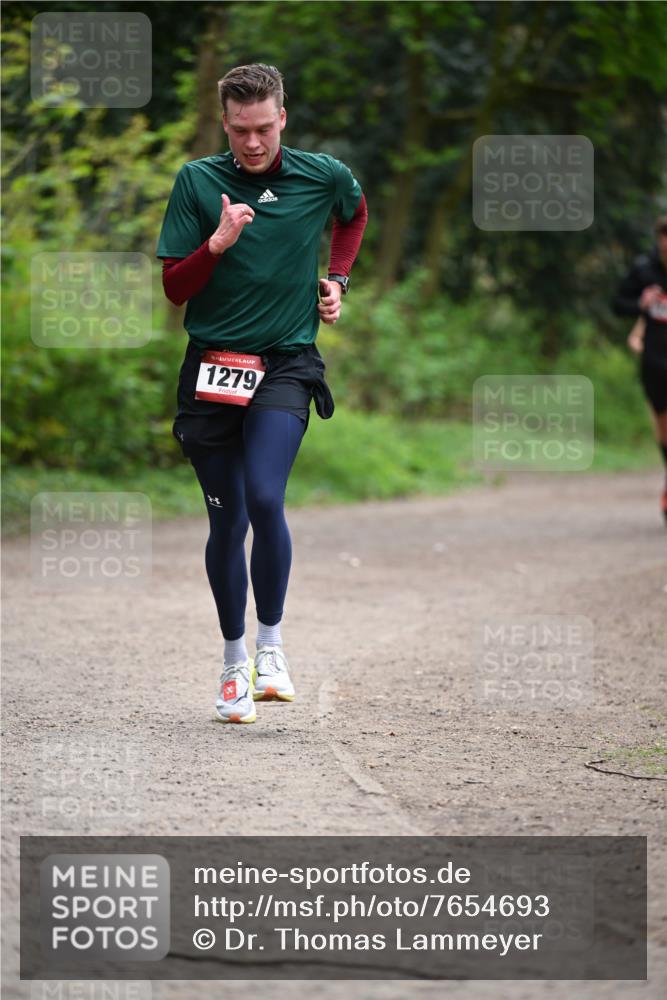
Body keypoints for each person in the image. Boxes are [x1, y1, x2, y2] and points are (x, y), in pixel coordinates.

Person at [156, 63, 368, 723]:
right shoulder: (197, 182)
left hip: (284, 364)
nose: (253, 142)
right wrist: (216, 243)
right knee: (228, 521)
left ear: (283, 119)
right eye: (241, 129)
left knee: (265, 495)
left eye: (265, 128)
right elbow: (174, 288)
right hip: (213, 365)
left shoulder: (321, 174)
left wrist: (337, 279)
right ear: (225, 123)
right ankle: (232, 664)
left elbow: (354, 214)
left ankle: (271, 648)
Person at [613, 215, 667, 523]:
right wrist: (640, 305)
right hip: (656, 362)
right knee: (664, 429)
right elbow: (618, 304)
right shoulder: (644, 271)